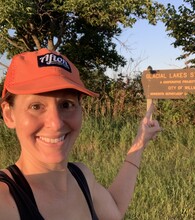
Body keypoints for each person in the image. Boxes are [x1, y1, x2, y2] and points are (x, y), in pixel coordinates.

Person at [0, 48, 161, 220]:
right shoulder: (5, 199)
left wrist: (140, 141)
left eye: (66, 105)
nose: (55, 123)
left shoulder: (81, 176)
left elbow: (113, 211)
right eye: (36, 106)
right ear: (9, 115)